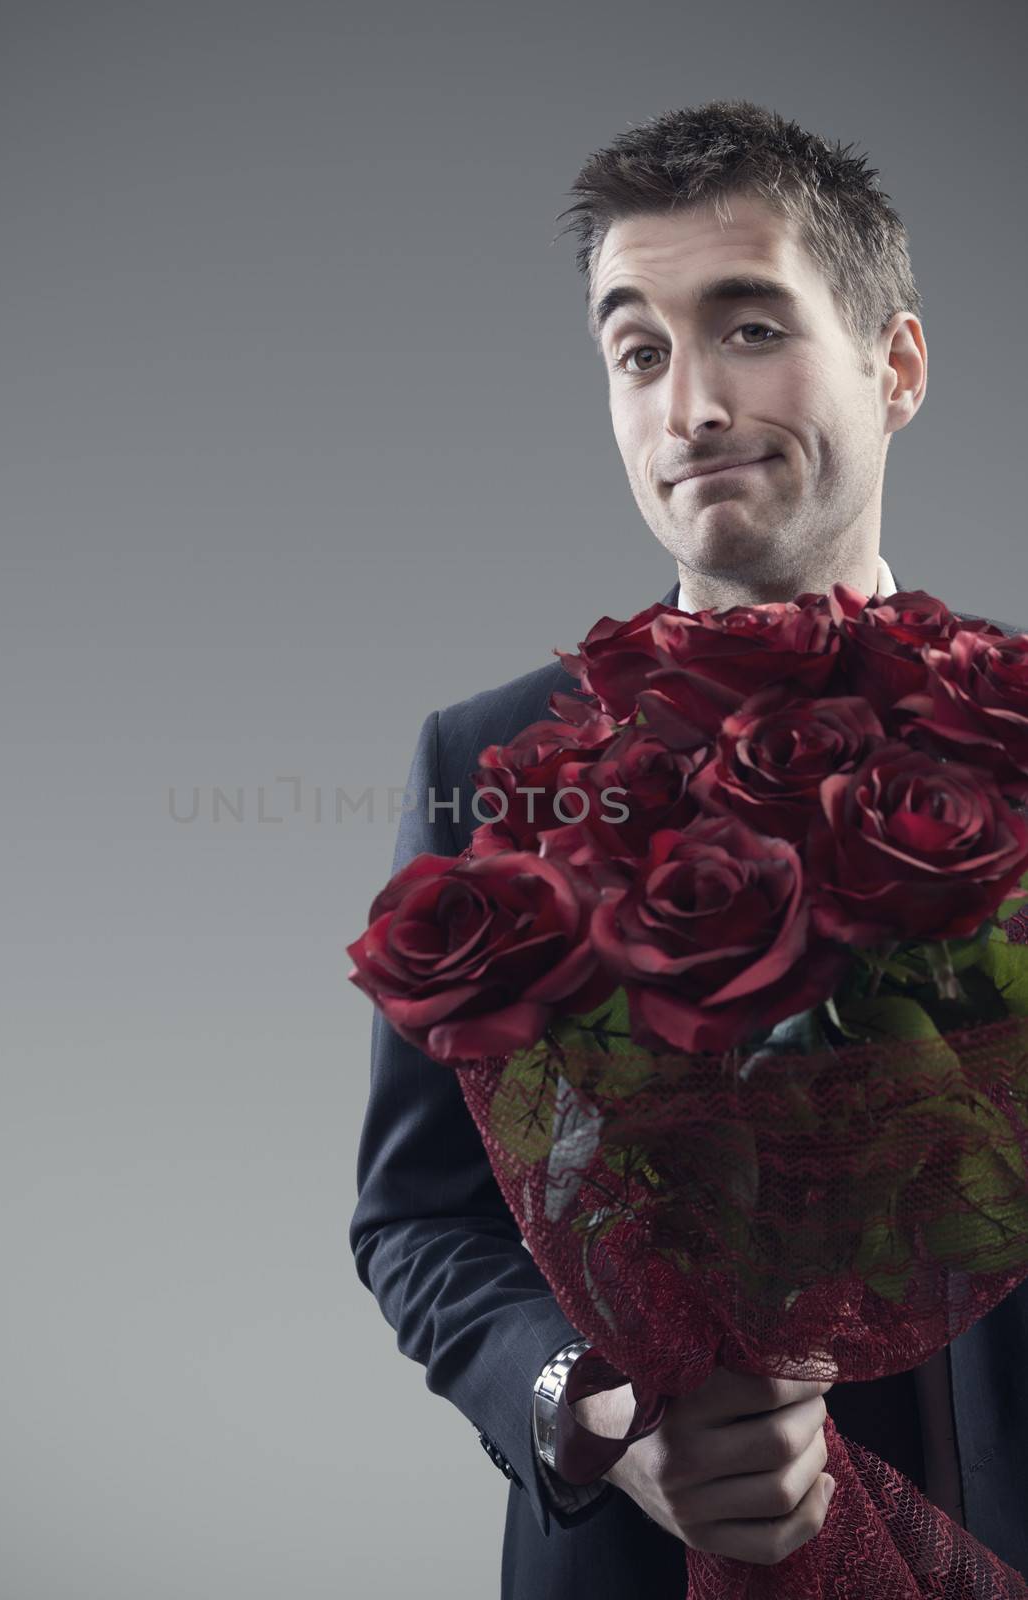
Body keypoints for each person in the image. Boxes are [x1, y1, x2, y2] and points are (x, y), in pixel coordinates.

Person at [347, 99, 1028, 1597]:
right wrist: (594, 1420)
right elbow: (420, 1219)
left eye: (750, 329)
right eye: (639, 352)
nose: (691, 407)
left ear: (896, 367)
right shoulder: (489, 762)